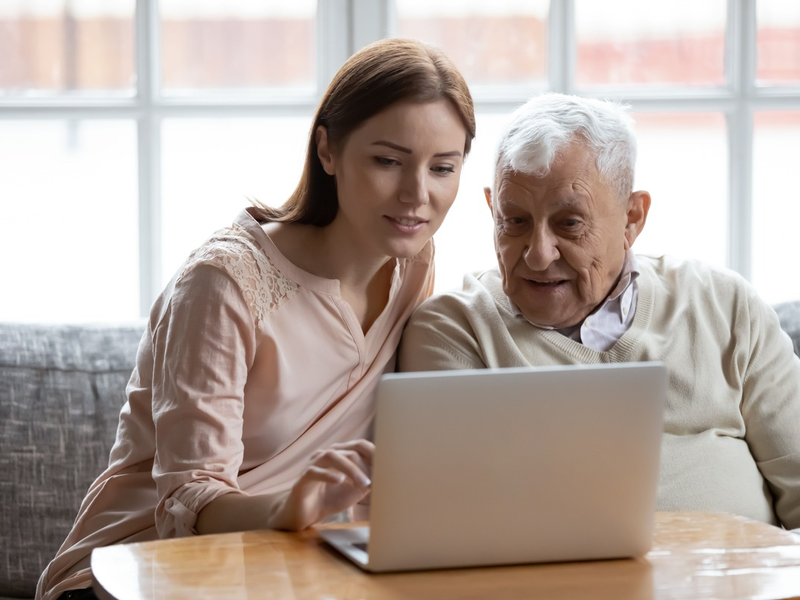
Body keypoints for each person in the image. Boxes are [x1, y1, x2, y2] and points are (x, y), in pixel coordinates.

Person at [38, 38, 475, 600]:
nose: (418, 195)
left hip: (290, 568)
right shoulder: (223, 284)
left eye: (443, 167)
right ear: (328, 152)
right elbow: (186, 500)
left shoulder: (413, 265)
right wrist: (290, 507)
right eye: (387, 161)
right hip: (144, 568)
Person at [398, 93, 800, 532]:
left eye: (569, 223)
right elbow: (460, 523)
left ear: (632, 218)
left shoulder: (726, 306)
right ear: (492, 209)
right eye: (515, 221)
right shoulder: (454, 331)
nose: (537, 254)